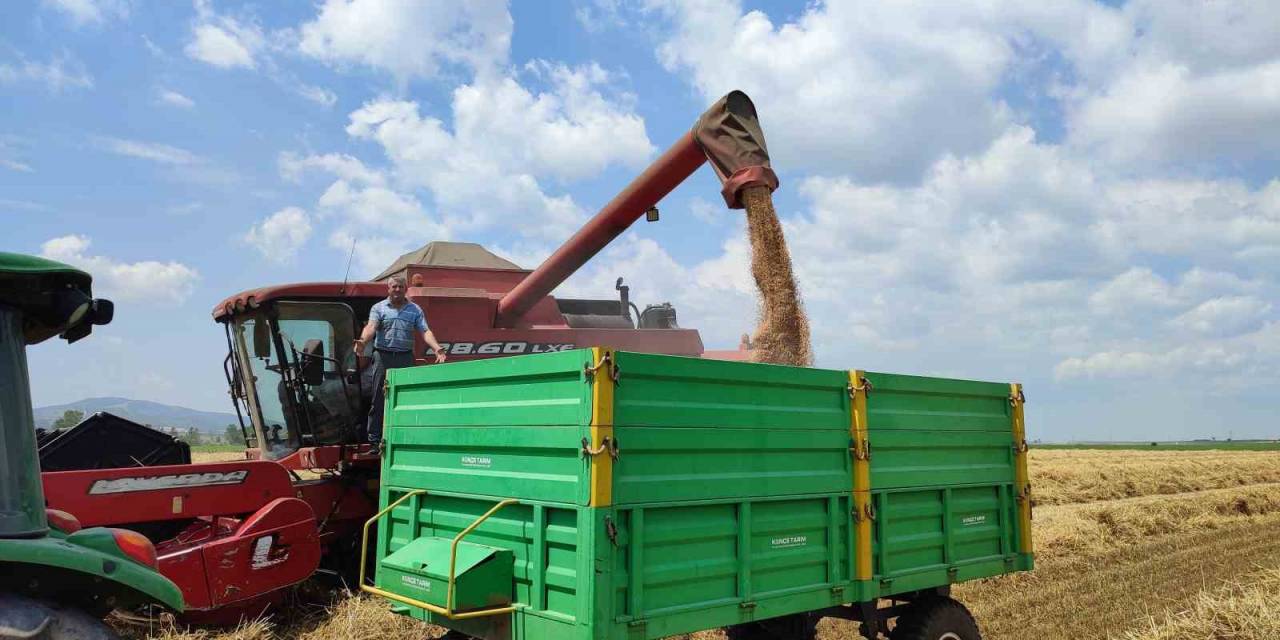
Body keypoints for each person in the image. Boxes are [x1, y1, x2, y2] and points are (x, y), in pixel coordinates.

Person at [353, 275, 446, 444]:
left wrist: (437, 348)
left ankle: (404, 437)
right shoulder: (379, 308)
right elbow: (371, 326)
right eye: (394, 287)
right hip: (383, 356)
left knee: (405, 399)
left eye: (401, 287)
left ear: (405, 289)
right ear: (388, 289)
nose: (397, 290)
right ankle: (374, 440)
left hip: (405, 358)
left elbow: (425, 331)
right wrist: (363, 341)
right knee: (379, 398)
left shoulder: (415, 310)